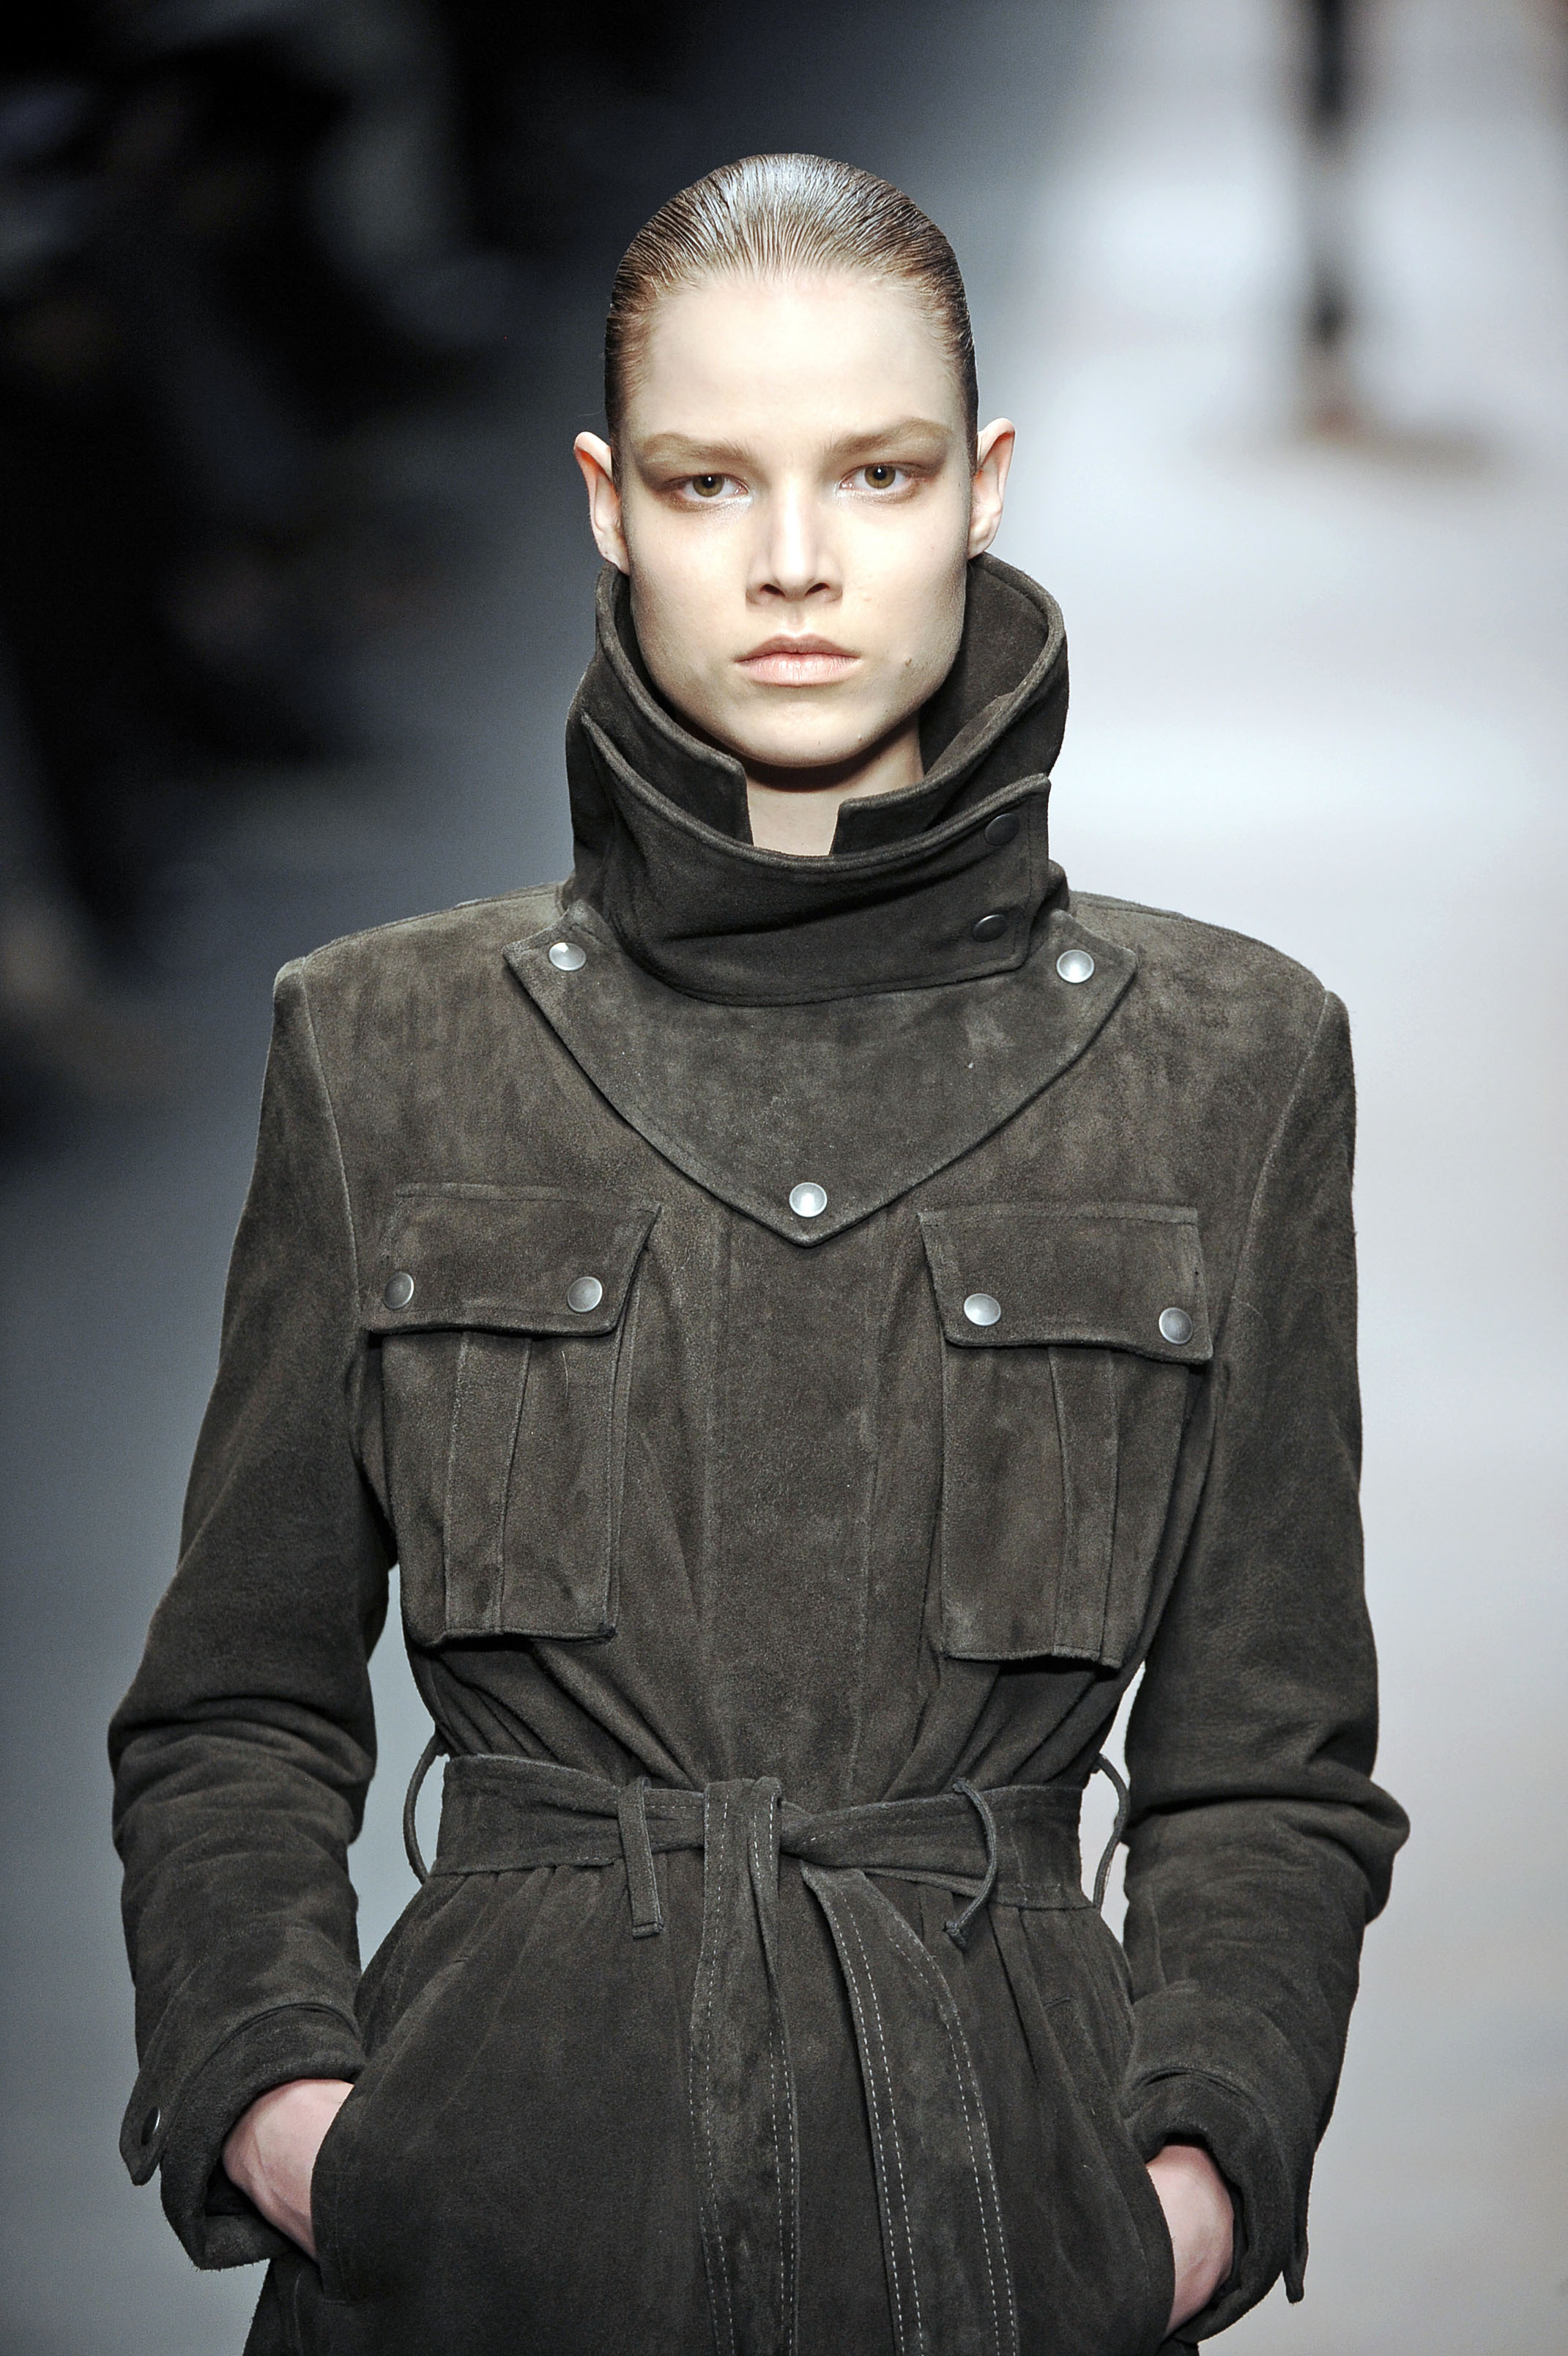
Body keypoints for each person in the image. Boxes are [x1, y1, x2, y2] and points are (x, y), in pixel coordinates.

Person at [111, 154, 1407, 2355]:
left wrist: (1193, 2192)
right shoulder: (386, 1047)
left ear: (983, 485)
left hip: (1005, 2238)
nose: (795, 560)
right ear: (609, 506)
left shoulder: (1228, 1063)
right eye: (712, 482)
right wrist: (296, 2123)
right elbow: (235, 1702)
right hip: (471, 2241)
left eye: (874, 473)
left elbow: (1268, 1763)